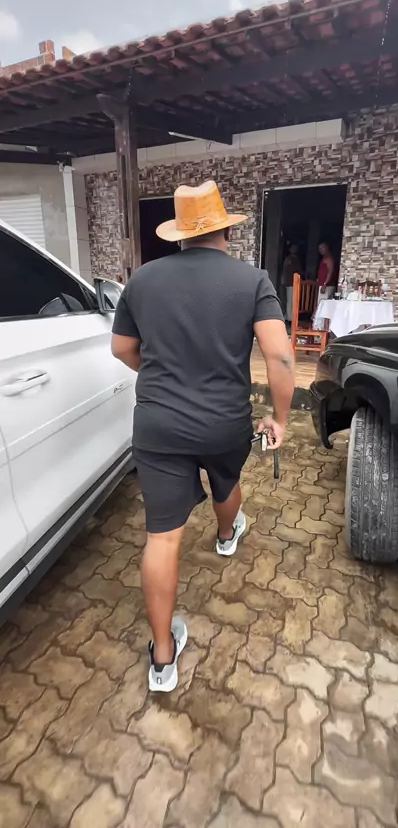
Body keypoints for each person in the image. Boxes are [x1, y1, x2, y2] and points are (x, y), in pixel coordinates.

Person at [111, 180, 295, 693]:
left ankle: (162, 659)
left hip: (158, 425)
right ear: (224, 232)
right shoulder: (252, 281)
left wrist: (159, 375)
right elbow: (281, 357)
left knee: (162, 537)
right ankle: (226, 536)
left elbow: (122, 348)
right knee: (225, 480)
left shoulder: (142, 280)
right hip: (224, 421)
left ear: (179, 235)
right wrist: (279, 419)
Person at [281, 242, 303, 323]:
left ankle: (290, 316)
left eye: (295, 248)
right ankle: (289, 318)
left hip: (295, 282)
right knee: (290, 300)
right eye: (293, 248)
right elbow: (287, 271)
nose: (294, 249)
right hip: (290, 282)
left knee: (293, 300)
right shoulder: (289, 259)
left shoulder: (296, 259)